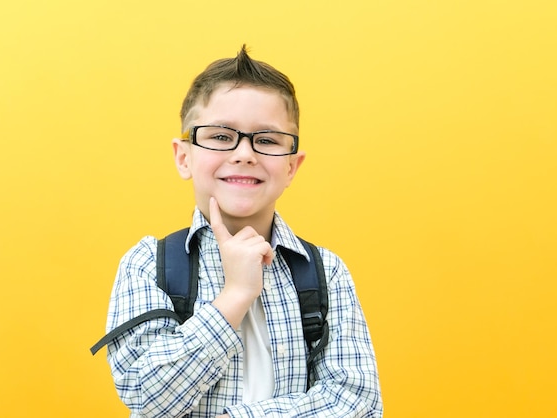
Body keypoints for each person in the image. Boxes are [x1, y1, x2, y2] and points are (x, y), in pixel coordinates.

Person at [104, 45, 383, 417]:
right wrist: (234, 296)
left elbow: (357, 403)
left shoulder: (326, 271)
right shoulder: (148, 265)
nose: (244, 153)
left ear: (292, 168)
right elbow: (146, 397)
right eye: (221, 136)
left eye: (266, 140)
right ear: (184, 157)